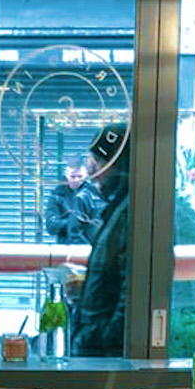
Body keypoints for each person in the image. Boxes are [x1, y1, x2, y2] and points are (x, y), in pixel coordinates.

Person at [65, 125, 130, 358]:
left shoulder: (130, 213)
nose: (92, 172)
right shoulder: (119, 209)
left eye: (99, 162)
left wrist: (105, 337)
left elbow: (131, 288)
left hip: (106, 352)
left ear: (118, 165)